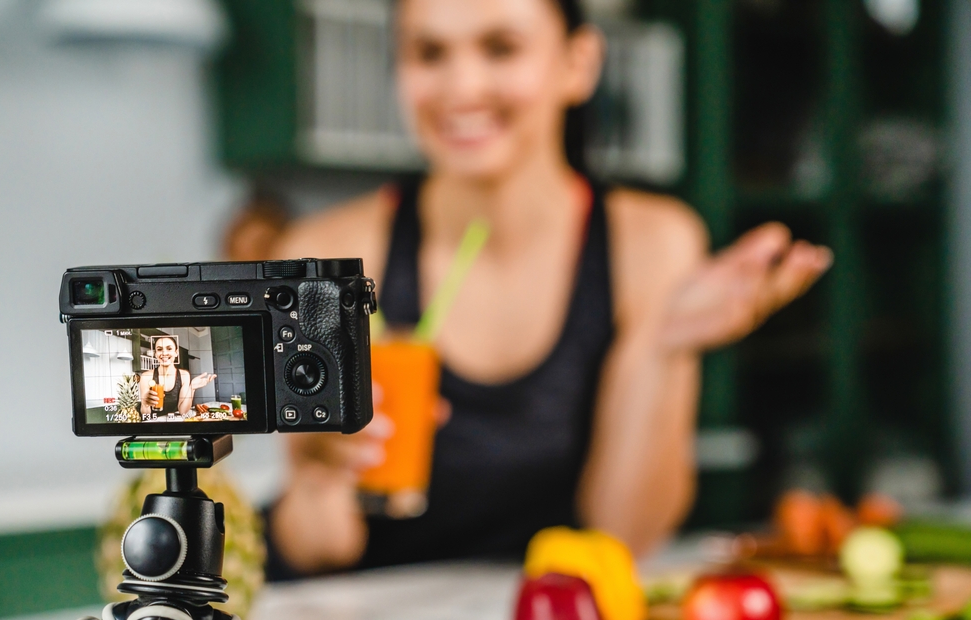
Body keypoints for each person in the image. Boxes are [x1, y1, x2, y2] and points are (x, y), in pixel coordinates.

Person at [249, 0, 833, 577]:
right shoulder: (322, 260)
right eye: (429, 53)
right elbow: (319, 549)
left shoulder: (653, 242)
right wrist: (325, 471)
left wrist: (664, 345)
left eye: (501, 48)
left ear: (578, 63)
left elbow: (622, 536)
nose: (462, 86)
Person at [139, 335, 216, 418]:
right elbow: (145, 415)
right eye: (159, 349)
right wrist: (145, 404)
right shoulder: (146, 376)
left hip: (175, 423)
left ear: (176, 352)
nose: (164, 353)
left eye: (169, 348)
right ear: (156, 354)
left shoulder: (184, 375)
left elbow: (183, 411)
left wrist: (192, 388)